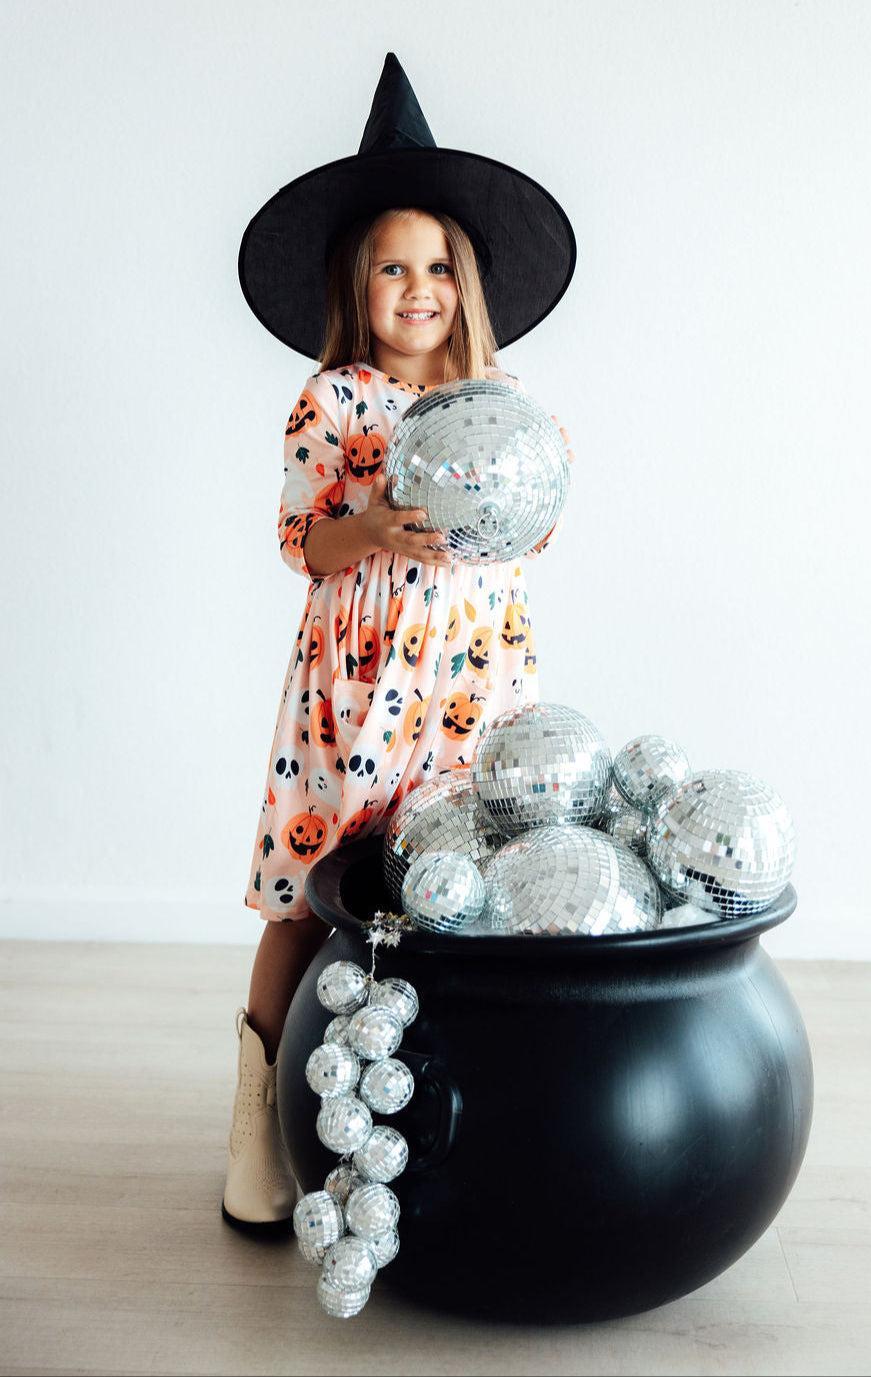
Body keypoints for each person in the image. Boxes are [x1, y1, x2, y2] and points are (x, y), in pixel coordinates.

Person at [224, 53, 577, 1232]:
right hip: (355, 691)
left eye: (436, 267)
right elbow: (302, 540)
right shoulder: (334, 401)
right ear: (356, 283)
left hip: (473, 689)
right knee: (303, 896)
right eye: (392, 267)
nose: (417, 288)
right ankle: (254, 1123)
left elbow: (534, 529)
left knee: (456, 891)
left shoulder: (509, 404)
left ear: (463, 285)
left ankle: (446, 1124)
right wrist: (372, 523)